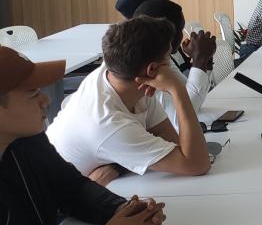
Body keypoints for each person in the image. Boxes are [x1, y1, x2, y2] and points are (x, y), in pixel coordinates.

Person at [0, 47, 165, 225]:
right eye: (33, 94)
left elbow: (72, 187)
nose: (46, 100)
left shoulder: (27, 140)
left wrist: (124, 211)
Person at [49, 16, 211, 185]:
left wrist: (118, 166)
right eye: (168, 59)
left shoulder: (121, 75)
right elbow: (198, 164)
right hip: (61, 197)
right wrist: (177, 90)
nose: (170, 67)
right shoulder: (110, 123)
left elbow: (172, 141)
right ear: (152, 70)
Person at [133, 0, 215, 131]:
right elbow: (181, 120)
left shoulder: (163, 58)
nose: (182, 35)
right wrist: (199, 61)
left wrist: (205, 60)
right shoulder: (147, 68)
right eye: (180, 30)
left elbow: (191, 100)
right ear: (164, 32)